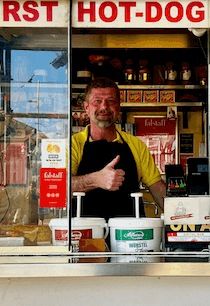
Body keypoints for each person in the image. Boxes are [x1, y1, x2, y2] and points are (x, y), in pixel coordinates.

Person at [71, 77, 166, 220]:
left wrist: (184, 221)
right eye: (97, 101)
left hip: (130, 236)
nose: (104, 107)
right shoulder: (73, 145)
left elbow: (158, 189)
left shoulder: (136, 145)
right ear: (86, 108)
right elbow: (59, 188)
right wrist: (96, 180)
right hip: (85, 236)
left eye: (111, 101)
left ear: (118, 107)